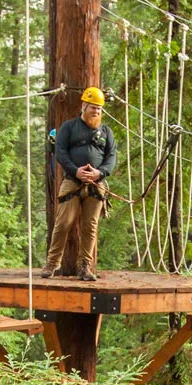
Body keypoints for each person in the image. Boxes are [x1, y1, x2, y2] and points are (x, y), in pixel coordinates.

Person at [47, 87, 116, 281]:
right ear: (84, 107)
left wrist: (98, 173)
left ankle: (85, 266)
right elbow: (60, 152)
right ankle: (52, 263)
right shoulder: (69, 128)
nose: (96, 112)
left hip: (96, 184)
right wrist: (75, 170)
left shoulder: (106, 132)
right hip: (72, 181)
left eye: (99, 109)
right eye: (93, 107)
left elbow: (111, 158)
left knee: (90, 226)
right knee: (63, 223)